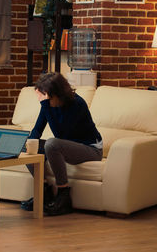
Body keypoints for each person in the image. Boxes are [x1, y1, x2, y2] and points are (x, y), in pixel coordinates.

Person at [21, 72, 103, 216]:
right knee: (27, 144)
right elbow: (37, 129)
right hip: (69, 145)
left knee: (52, 144)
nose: (43, 99)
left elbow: (62, 135)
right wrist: (30, 144)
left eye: (46, 95)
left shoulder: (77, 104)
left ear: (57, 93)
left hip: (91, 149)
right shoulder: (49, 103)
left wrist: (45, 105)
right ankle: (44, 192)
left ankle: (63, 196)